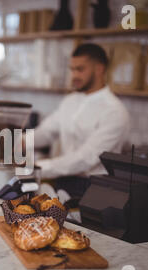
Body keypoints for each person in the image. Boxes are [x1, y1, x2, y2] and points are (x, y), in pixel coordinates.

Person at [31, 43, 130, 198]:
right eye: (72, 69)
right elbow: (46, 132)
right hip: (62, 180)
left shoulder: (115, 111)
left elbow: (85, 158)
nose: (74, 75)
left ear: (99, 69)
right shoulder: (70, 101)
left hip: (93, 189)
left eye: (80, 69)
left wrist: (37, 167)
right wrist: (18, 141)